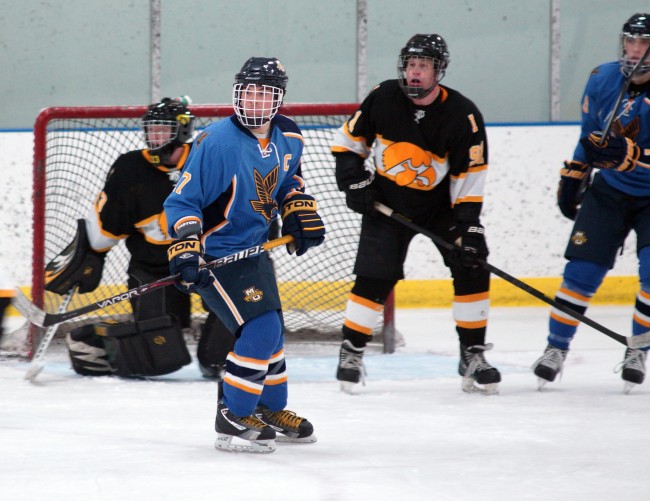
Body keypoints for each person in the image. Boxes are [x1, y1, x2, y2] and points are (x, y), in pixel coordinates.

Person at [164, 57, 325, 453]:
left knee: (272, 333)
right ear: (237, 93)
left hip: (255, 251)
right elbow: (183, 201)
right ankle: (232, 415)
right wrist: (186, 245)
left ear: (278, 98)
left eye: (263, 93)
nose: (253, 101)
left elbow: (289, 179)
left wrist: (297, 207)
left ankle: (269, 408)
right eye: (247, 92)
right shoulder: (215, 142)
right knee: (260, 329)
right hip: (218, 255)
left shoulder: (290, 135)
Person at [331, 34, 500, 395]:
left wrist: (469, 226)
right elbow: (348, 144)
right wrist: (355, 184)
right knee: (374, 277)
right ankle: (352, 350)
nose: (414, 73)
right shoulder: (383, 96)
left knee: (472, 263)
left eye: (423, 66)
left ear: (438, 71)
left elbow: (470, 176)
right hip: (387, 202)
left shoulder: (463, 115)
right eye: (410, 65)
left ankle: (471, 353)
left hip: (441, 208)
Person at [44, 97, 233, 378]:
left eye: (162, 130)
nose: (154, 137)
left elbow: (240, 204)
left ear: (181, 131)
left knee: (216, 362)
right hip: (154, 267)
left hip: (209, 261)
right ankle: (99, 341)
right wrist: (90, 254)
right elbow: (106, 224)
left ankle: (234, 348)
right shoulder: (130, 168)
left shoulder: (209, 160)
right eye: (151, 129)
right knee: (159, 355)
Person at [532, 13, 650, 392]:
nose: (634, 51)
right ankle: (555, 349)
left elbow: (625, 149)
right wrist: (575, 174)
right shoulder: (602, 78)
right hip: (611, 189)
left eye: (644, 43)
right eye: (630, 42)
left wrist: (633, 154)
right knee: (581, 271)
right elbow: (591, 137)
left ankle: (637, 349)